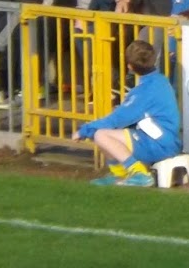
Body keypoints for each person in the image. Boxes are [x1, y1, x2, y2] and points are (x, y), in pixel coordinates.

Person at [75, 39, 181, 187]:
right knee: (104, 132)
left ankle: (140, 174)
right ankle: (120, 174)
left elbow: (117, 119)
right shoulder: (161, 80)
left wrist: (84, 130)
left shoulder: (143, 91)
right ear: (154, 59)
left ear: (130, 66)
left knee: (101, 135)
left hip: (159, 144)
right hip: (166, 139)